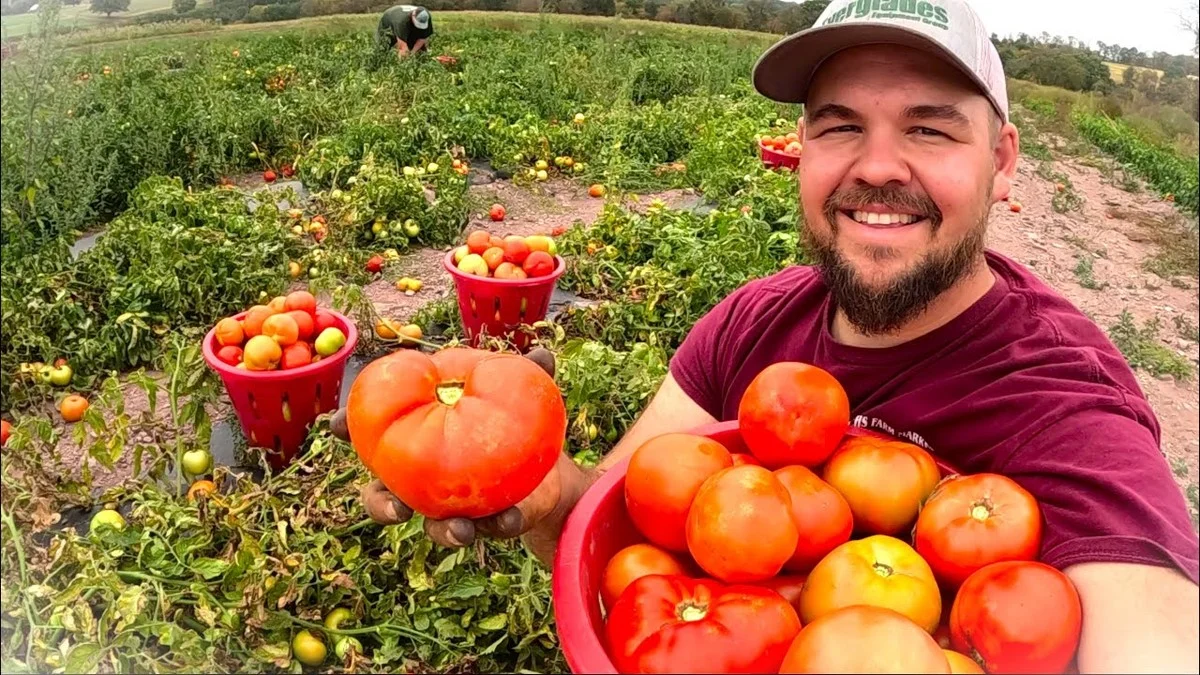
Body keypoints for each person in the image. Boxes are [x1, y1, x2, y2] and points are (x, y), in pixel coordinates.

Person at [338, 0, 1200, 670]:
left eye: (930, 128)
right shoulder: (756, 321)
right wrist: (506, 476)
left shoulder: (1060, 398)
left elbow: (1156, 639)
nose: (876, 165)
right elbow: (618, 522)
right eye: (839, 125)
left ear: (1004, 161)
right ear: (800, 148)